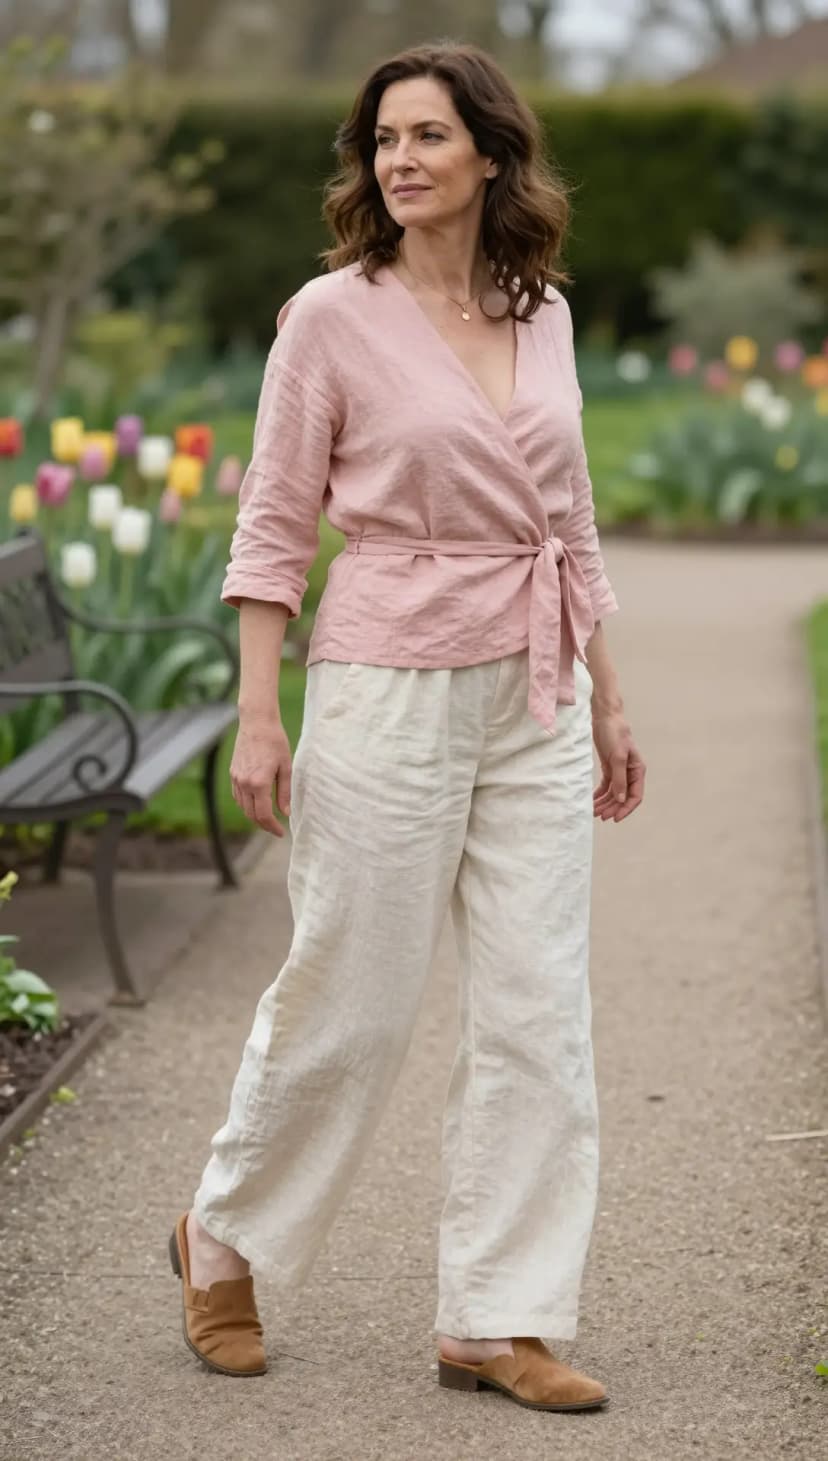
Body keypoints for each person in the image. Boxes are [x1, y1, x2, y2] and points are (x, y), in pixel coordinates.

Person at [169, 39, 646, 1413]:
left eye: (431, 134)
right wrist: (261, 714)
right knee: (352, 997)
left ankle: (499, 1315)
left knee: (539, 1011)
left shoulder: (538, 308)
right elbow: (273, 526)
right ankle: (225, 1237)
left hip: (537, 692)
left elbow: (570, 519)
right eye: (386, 138)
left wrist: (611, 693)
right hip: (389, 681)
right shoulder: (329, 316)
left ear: (492, 153)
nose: (402, 158)